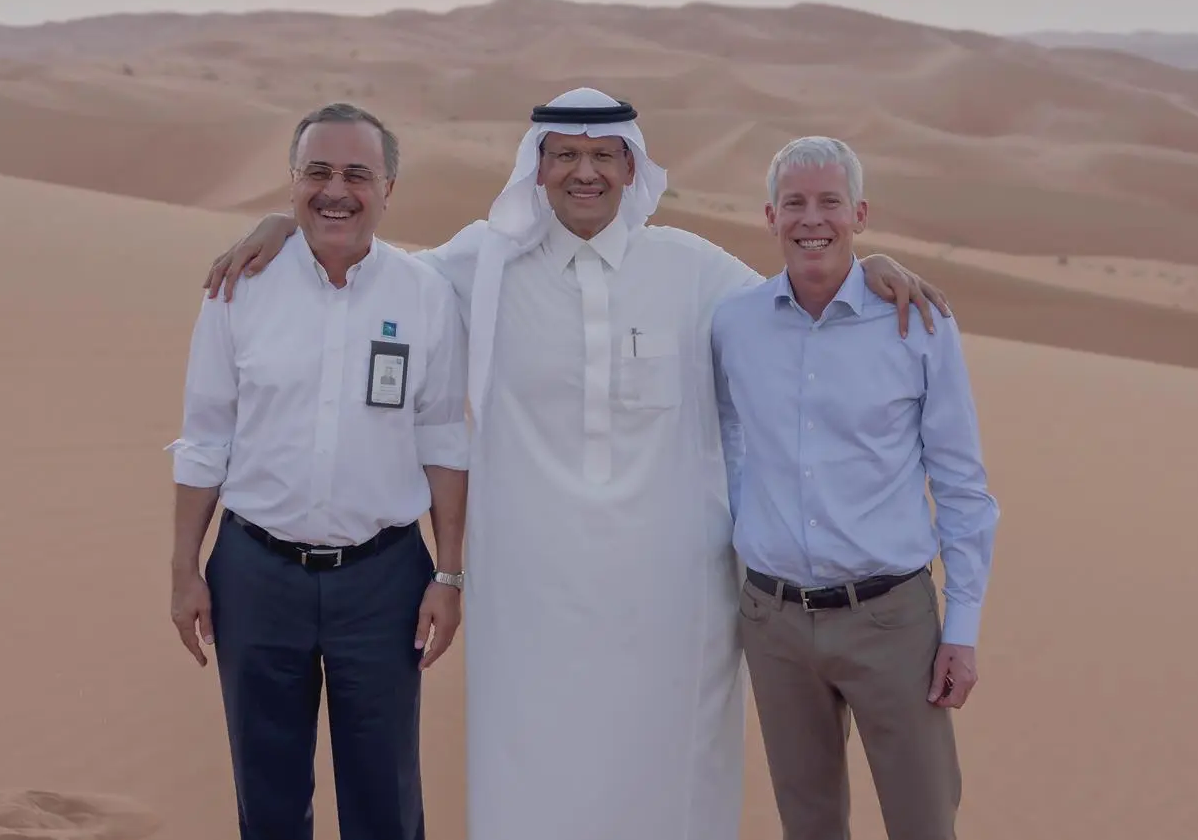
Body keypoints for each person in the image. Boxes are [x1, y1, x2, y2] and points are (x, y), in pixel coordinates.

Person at [200, 88, 952, 840]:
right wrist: (286, 229)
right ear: (537, 167)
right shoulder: (486, 263)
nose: (583, 172)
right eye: (564, 154)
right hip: (530, 602)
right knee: (538, 782)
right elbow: (375, 268)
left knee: (667, 786)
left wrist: (867, 265)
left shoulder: (690, 268)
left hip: (671, 602)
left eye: (601, 156)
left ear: (632, 167)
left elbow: (795, 306)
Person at [167, 102, 470, 840]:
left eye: (358, 174)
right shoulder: (239, 286)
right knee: (267, 791)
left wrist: (449, 574)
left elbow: (443, 438)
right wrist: (184, 569)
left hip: (385, 579)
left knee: (385, 795)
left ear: (388, 187)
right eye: (318, 172)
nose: (336, 190)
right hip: (255, 572)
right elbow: (205, 436)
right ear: (293, 181)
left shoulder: (427, 293)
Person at [710, 136, 1000, 840]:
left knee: (924, 824)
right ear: (770, 216)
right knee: (807, 825)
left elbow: (961, 482)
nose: (812, 219)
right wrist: (754, 525)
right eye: (795, 203)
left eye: (830, 202)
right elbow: (723, 436)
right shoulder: (733, 323)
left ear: (859, 214)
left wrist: (962, 629)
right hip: (774, 622)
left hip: (890, 620)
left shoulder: (918, 323)